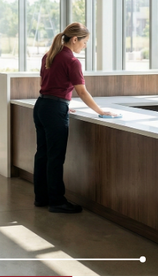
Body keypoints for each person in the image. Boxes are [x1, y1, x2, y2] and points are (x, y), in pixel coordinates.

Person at [33, 23, 118, 214]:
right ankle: (56, 202)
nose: (85, 46)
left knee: (43, 154)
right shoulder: (72, 61)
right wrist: (100, 111)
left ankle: (41, 197)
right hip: (54, 109)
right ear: (75, 39)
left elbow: (46, 83)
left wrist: (61, 102)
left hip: (42, 106)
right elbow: (82, 91)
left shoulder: (49, 55)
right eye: (85, 42)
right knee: (55, 157)